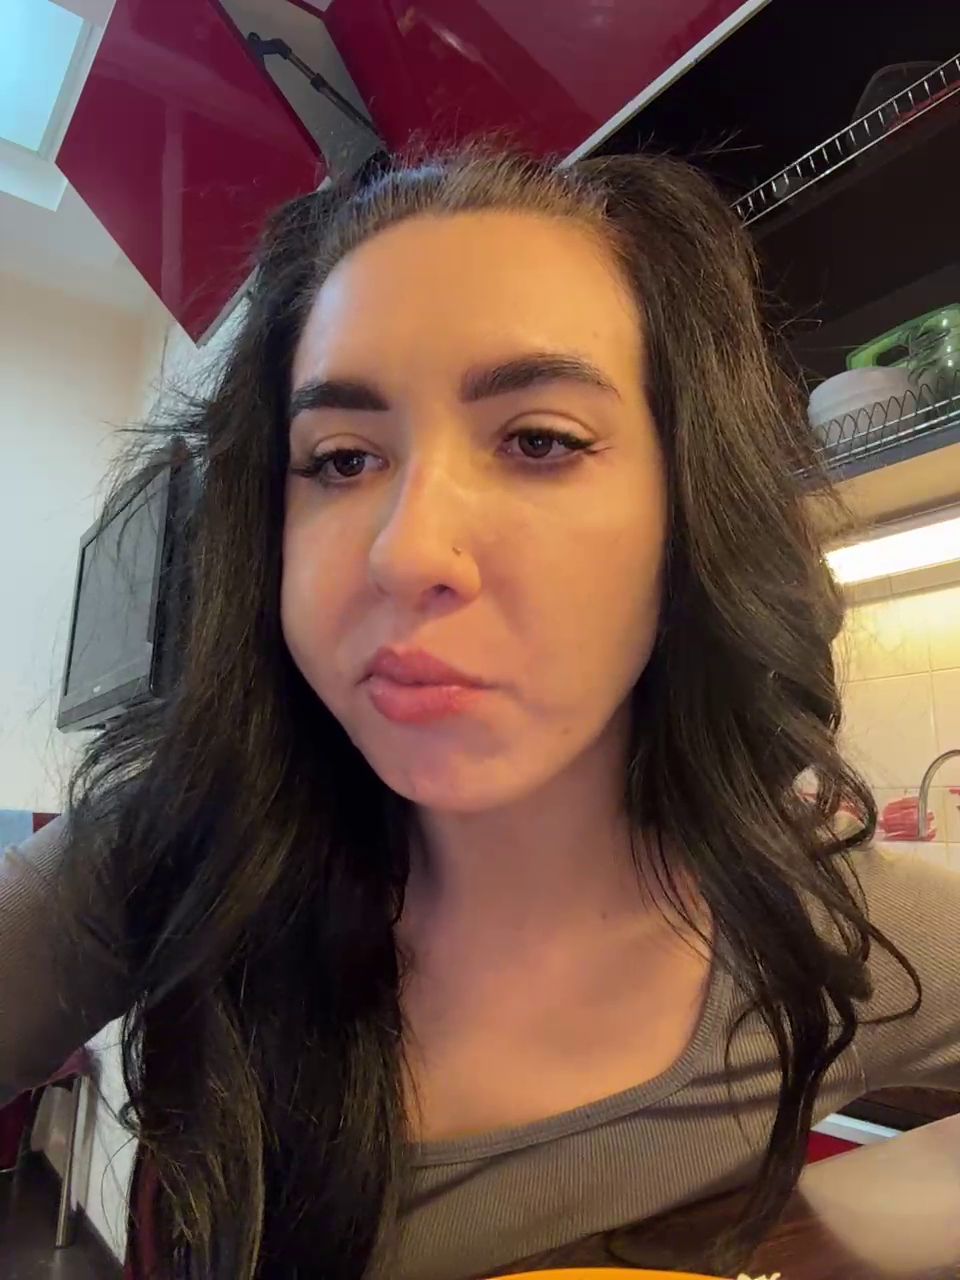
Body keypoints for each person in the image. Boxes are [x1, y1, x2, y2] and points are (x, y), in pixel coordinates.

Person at [1, 147, 958, 1280]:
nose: (406, 551)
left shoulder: (846, 933)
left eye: (539, 441)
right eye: (340, 459)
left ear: (692, 508)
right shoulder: (170, 854)